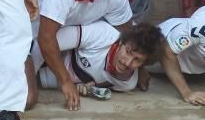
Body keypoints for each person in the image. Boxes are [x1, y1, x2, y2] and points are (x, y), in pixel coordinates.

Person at [34, 0, 133, 111]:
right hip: (21, 36)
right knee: (24, 98)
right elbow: (45, 38)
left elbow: (130, 36)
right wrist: (66, 81)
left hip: (50, 45)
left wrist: (140, 68)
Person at [31, 22, 163, 97]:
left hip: (44, 82)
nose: (127, 62)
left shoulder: (128, 83)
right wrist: (27, 84)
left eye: (137, 60)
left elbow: (97, 83)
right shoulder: (101, 34)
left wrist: (83, 87)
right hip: (30, 57)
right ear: (121, 42)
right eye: (128, 52)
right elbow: (45, 42)